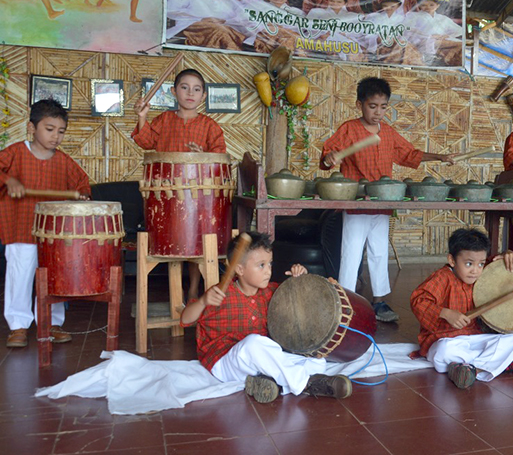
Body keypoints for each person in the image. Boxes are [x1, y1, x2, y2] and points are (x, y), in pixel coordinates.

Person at [320, 77, 454, 323]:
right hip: (358, 202)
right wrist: (330, 158)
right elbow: (329, 154)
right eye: (373, 106)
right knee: (351, 253)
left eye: (383, 106)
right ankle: (345, 301)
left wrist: (440, 156)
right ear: (360, 104)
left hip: (382, 202)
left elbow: (410, 154)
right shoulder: (349, 129)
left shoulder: (389, 133)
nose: (378, 112)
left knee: (379, 252)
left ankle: (379, 302)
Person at [180, 231, 352, 403]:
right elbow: (186, 319)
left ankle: (270, 384)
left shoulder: (272, 292)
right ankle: (308, 383)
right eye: (261, 265)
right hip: (225, 363)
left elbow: (297, 301)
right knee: (253, 343)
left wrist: (299, 280)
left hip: (258, 362)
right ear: (239, 269)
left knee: (317, 361)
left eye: (270, 264)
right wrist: (203, 301)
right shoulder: (220, 294)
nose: (268, 271)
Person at [0, 99, 91, 348]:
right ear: (32, 127)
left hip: (54, 232)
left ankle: (52, 323)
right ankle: (18, 326)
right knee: (20, 275)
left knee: (54, 276)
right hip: (21, 227)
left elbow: (82, 183)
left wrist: (83, 194)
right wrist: (9, 181)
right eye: (49, 129)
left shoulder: (63, 161)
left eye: (60, 131)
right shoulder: (15, 153)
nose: (56, 137)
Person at [132, 68, 226, 304]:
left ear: (203, 96)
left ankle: (194, 290)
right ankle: (175, 296)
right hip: (167, 194)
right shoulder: (164, 120)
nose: (190, 93)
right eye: (184, 87)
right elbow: (146, 142)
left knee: (195, 245)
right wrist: (142, 117)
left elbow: (219, 157)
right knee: (174, 241)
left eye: (196, 89)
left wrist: (202, 155)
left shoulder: (209, 125)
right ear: (174, 92)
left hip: (199, 196)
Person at [410, 228, 513, 389]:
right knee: (443, 352)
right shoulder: (443, 277)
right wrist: (445, 313)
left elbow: (499, 260)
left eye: (481, 264)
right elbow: (418, 300)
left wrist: (508, 253)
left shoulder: (483, 273)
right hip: (444, 339)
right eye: (468, 264)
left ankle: (467, 369)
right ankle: (498, 364)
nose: (475, 270)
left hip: (473, 338)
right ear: (452, 260)